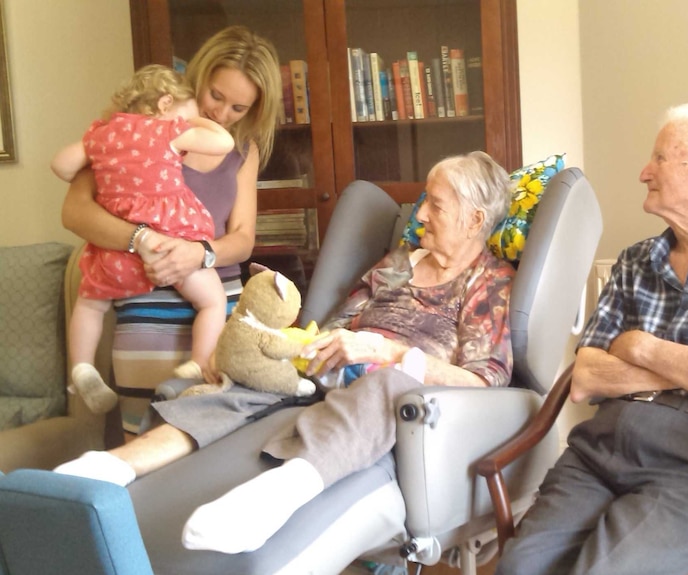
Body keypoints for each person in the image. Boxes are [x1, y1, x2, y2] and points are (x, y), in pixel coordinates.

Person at [56, 151, 517, 554]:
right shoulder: (400, 262)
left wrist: (388, 351)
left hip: (397, 394)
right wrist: (276, 347)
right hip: (327, 369)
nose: (419, 217)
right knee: (244, 382)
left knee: (387, 385)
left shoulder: (489, 283)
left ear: (474, 220)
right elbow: (339, 323)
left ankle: (278, 495)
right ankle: (108, 467)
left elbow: (484, 379)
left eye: (435, 206)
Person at [495, 103, 688, 575]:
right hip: (599, 453)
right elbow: (585, 378)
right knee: (516, 568)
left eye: (661, 159)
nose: (645, 172)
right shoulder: (634, 261)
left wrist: (640, 345)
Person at [59, 25, 283, 431]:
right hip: (145, 306)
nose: (221, 114)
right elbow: (75, 213)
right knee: (144, 437)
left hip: (220, 303)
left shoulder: (242, 151)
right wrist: (141, 240)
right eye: (215, 96)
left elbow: (243, 238)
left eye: (239, 108)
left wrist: (200, 253)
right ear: (197, 79)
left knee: (220, 445)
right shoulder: (137, 131)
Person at [51, 64, 234, 414]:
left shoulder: (102, 134)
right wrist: (193, 123)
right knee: (212, 301)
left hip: (116, 251)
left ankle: (81, 368)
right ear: (166, 105)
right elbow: (223, 141)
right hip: (169, 243)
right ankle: (197, 362)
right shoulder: (167, 131)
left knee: (89, 303)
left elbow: (60, 165)